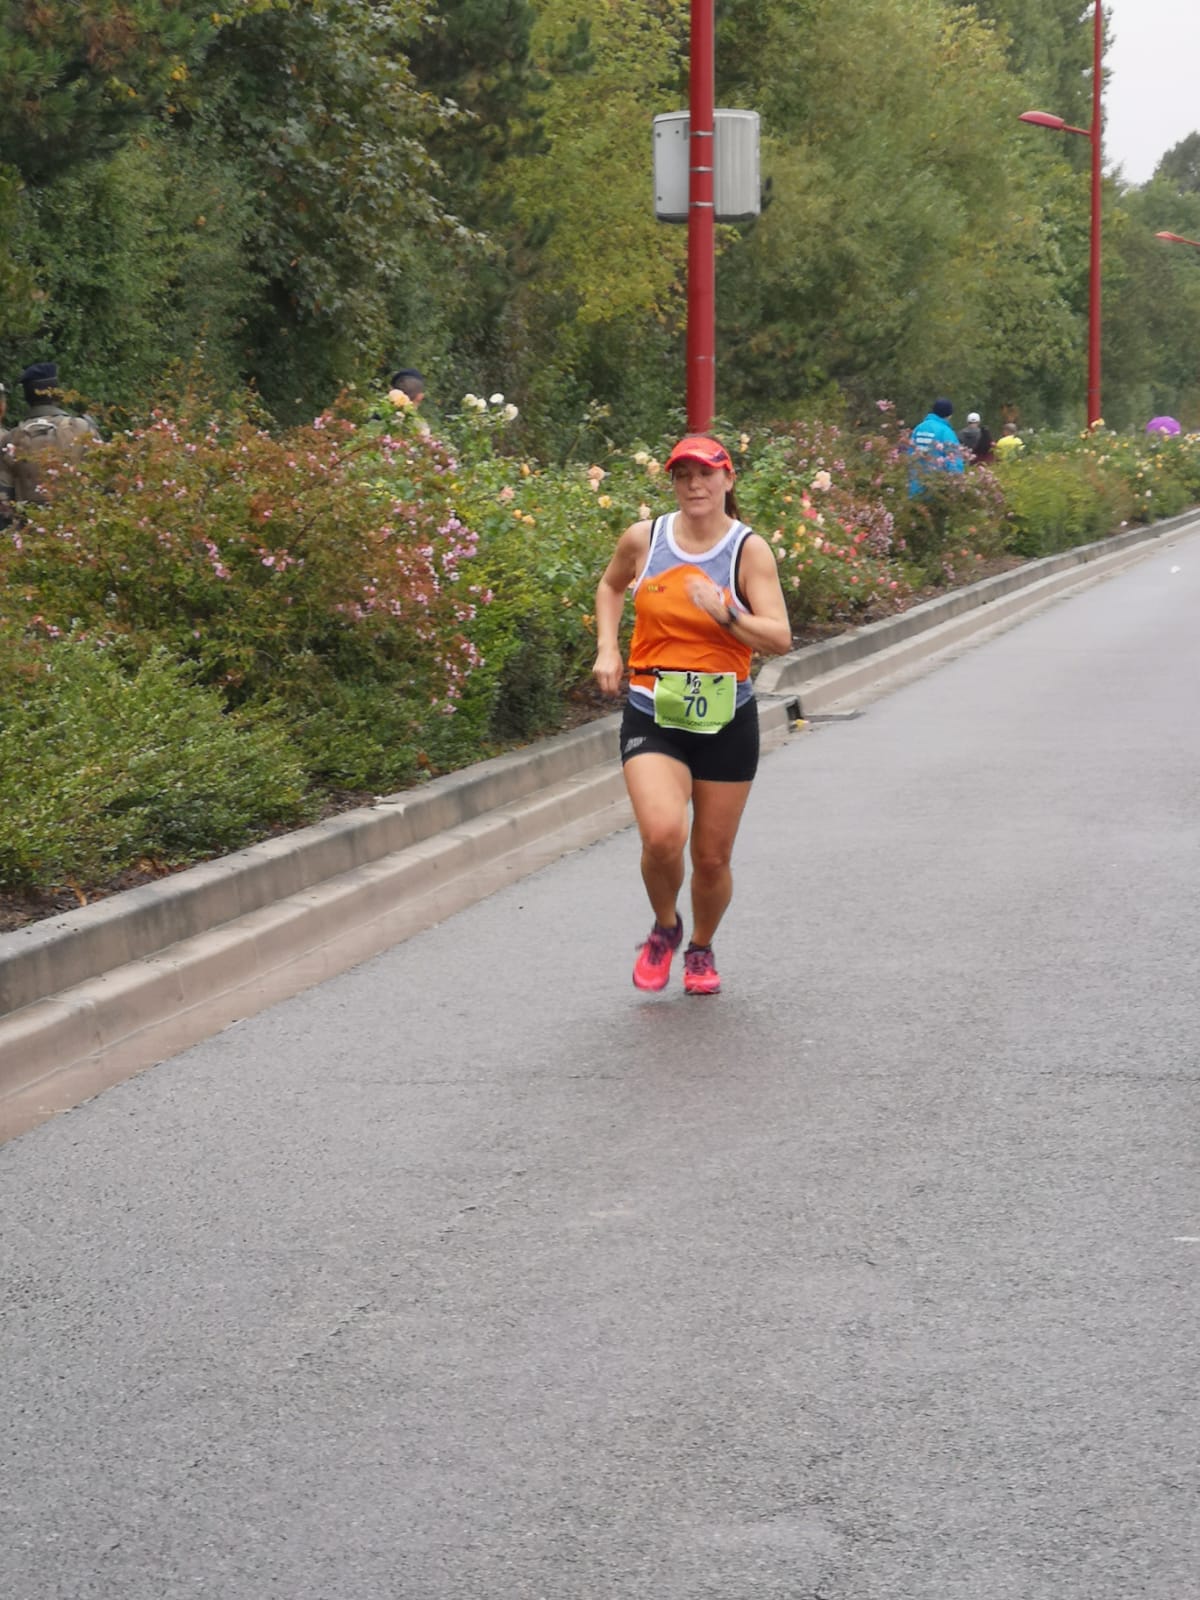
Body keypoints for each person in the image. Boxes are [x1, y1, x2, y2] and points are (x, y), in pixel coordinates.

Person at [592, 434, 792, 995]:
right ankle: (665, 928)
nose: (694, 485)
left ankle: (700, 947)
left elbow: (779, 637)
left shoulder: (746, 550)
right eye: (683, 476)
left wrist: (726, 612)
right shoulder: (645, 538)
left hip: (727, 718)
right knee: (662, 835)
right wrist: (608, 648)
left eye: (706, 474)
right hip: (652, 710)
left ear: (728, 480)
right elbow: (609, 588)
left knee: (710, 858)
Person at [0, 361, 101, 510]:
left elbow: (4, 499)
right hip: (78, 526)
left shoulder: (11, 440)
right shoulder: (82, 429)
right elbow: (106, 482)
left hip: (27, 529)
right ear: (58, 394)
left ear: (27, 397)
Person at [908, 397, 965, 494]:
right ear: (949, 415)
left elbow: (910, 453)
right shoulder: (946, 432)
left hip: (916, 485)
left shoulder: (918, 428)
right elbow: (953, 459)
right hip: (937, 488)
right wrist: (957, 481)